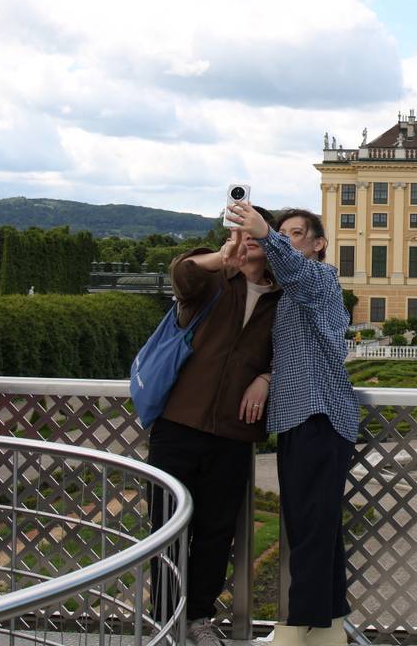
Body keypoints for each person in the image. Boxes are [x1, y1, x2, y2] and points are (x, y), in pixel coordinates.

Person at [226, 203, 360, 646]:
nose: (286, 240)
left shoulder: (319, 278)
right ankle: (328, 628)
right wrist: (267, 377)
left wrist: (265, 231)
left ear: (318, 244)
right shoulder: (290, 291)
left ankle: (291, 630)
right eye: (283, 233)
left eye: (296, 233)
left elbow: (294, 271)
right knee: (315, 527)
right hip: (302, 418)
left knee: (310, 529)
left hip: (319, 416)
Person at [148, 210, 281, 646]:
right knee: (166, 526)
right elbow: (181, 273)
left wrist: (266, 377)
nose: (250, 238)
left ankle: (199, 617)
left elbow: (296, 353)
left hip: (233, 432)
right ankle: (165, 619)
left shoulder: (282, 299)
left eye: (260, 231)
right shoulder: (213, 281)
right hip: (179, 423)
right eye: (243, 231)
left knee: (215, 533)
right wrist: (219, 259)